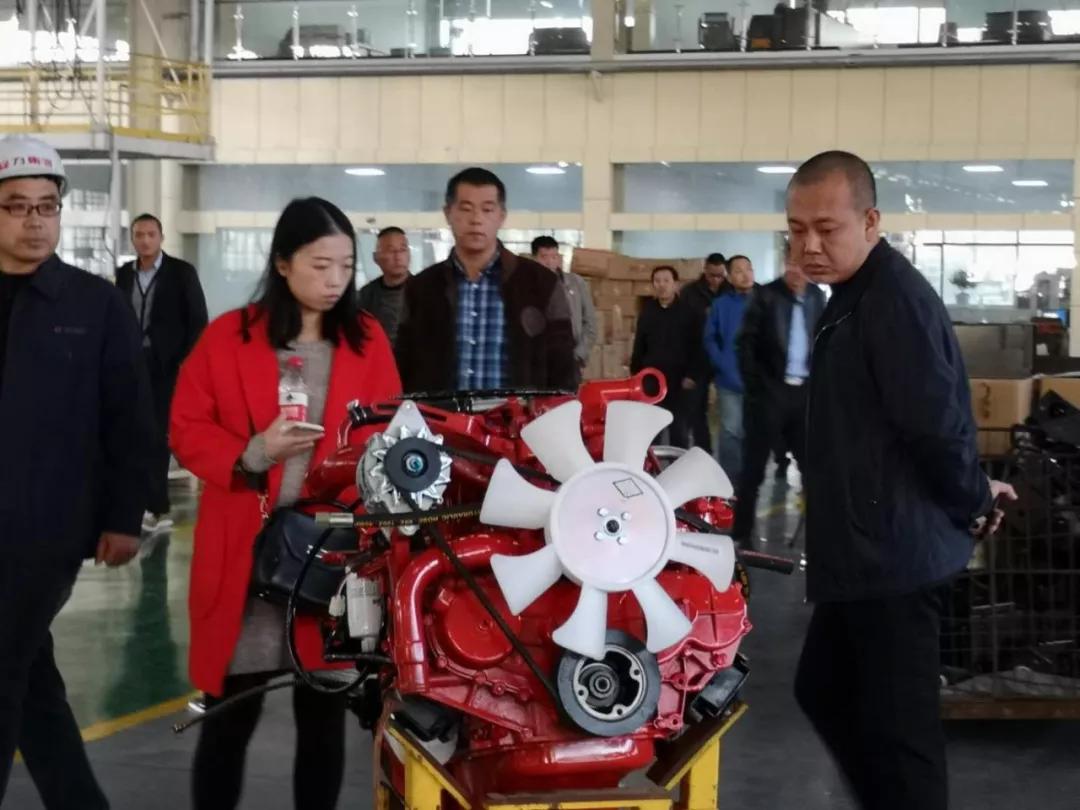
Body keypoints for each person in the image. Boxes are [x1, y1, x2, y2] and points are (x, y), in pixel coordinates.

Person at [787, 150, 1016, 810]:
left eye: (826, 229)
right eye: (797, 230)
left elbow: (937, 428)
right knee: (824, 690)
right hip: (864, 551)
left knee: (902, 739)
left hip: (895, 559)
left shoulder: (892, 302)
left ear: (871, 222)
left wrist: (975, 497)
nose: (809, 245)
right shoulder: (851, 297)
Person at [170, 197, 402, 810]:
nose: (335, 281)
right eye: (320, 265)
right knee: (229, 716)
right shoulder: (229, 337)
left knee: (321, 719)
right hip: (245, 559)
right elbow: (187, 425)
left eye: (345, 266)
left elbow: (388, 433)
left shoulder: (366, 341)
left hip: (329, 558)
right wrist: (252, 453)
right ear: (281, 263)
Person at [0, 135, 154, 807]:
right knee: (30, 683)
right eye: (16, 206)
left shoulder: (95, 306)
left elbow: (131, 419)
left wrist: (124, 517)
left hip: (49, 530)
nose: (34, 221)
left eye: (47, 206)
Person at [395, 168, 577, 393]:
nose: (476, 219)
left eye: (487, 209)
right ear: (448, 213)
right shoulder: (421, 288)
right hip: (440, 415)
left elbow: (563, 368)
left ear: (501, 216)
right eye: (466, 209)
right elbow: (403, 366)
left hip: (520, 415)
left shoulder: (541, 284)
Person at [115, 213, 208, 533]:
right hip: (131, 365)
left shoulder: (181, 273)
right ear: (132, 239)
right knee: (132, 434)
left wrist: (187, 364)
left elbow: (198, 320)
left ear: (161, 237)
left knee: (157, 435)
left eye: (150, 234)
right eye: (139, 235)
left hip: (167, 366)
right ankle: (138, 503)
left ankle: (156, 505)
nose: (144, 240)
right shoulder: (124, 274)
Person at [731, 247, 824, 542]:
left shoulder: (817, 297)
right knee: (754, 468)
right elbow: (745, 344)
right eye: (791, 263)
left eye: (802, 264)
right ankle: (740, 534)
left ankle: (820, 536)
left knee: (813, 468)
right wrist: (756, 387)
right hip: (769, 393)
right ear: (784, 263)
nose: (797, 271)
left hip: (803, 395)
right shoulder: (766, 296)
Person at [630, 265, 705, 448]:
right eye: (657, 281)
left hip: (680, 381)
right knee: (651, 429)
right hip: (652, 379)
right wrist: (636, 373)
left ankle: (678, 464)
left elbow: (698, 346)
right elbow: (639, 345)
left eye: (666, 281)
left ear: (675, 284)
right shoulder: (647, 311)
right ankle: (650, 464)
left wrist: (692, 375)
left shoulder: (690, 312)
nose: (662, 285)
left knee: (679, 430)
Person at [703, 255, 756, 485]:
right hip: (730, 380)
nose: (745, 274)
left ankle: (750, 481)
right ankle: (730, 483)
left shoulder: (765, 301)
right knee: (730, 431)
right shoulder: (721, 305)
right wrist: (722, 363)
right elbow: (710, 339)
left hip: (759, 382)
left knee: (754, 432)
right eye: (738, 271)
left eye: (748, 269)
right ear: (730, 277)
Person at [680, 252, 730, 452]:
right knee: (696, 410)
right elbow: (682, 329)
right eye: (712, 275)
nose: (716, 280)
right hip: (697, 358)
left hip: (725, 357)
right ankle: (704, 453)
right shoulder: (689, 293)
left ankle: (729, 458)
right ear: (705, 270)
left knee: (728, 412)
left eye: (720, 276)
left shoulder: (731, 290)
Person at [531, 235, 597, 376]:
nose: (550, 262)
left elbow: (590, 323)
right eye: (544, 257)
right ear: (534, 258)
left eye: (554, 257)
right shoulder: (524, 286)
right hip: (537, 362)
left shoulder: (576, 283)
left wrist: (578, 355)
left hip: (570, 359)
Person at [357, 226, 410, 346]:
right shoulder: (365, 296)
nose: (398, 256)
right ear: (376, 257)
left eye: (403, 249)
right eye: (391, 251)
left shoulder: (425, 290)